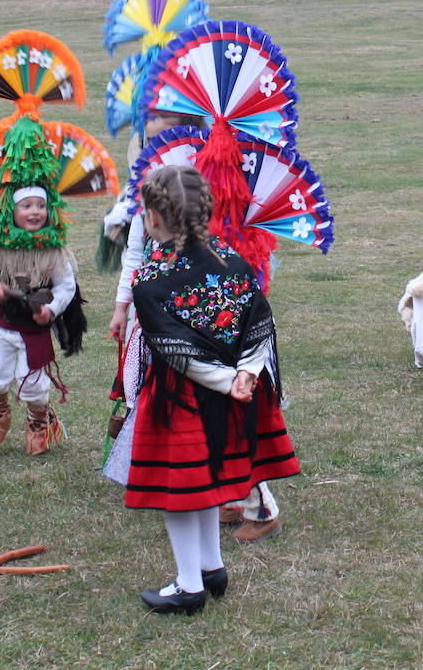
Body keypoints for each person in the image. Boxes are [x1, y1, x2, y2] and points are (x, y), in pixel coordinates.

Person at [122, 165, 300, 615]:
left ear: (154, 218)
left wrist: (228, 379)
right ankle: (211, 568)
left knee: (180, 492)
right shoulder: (231, 259)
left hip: (182, 400)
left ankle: (188, 586)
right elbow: (260, 319)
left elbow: (172, 347)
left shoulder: (150, 278)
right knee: (204, 483)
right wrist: (246, 373)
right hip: (234, 391)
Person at [104, 112, 288, 545]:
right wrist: (122, 308)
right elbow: (134, 258)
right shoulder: (153, 251)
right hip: (191, 344)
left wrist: (239, 373)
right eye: (151, 142)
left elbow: (255, 319)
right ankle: (224, 498)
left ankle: (259, 506)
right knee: (213, 430)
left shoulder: (209, 208)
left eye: (165, 137)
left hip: (214, 352)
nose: (157, 147)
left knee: (225, 428)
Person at [0, 185, 86, 455]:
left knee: (32, 382)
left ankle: (38, 422)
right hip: (2, 323)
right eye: (27, 205)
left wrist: (52, 310)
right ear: (12, 210)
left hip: (34, 328)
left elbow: (66, 287)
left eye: (41, 206)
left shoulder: (53, 250)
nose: (35, 211)